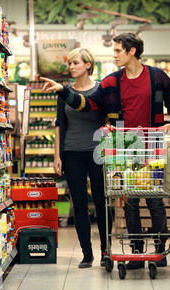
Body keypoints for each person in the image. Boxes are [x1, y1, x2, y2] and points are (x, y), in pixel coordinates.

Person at [40, 33, 170, 270]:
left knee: (156, 200)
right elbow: (85, 104)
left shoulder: (157, 76)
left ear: (132, 51)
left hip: (154, 144)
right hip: (125, 146)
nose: (114, 55)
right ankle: (137, 253)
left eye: (118, 50)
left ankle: (160, 248)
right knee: (130, 201)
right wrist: (63, 91)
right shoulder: (110, 83)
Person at [52, 47, 112, 268]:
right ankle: (87, 253)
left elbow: (108, 120)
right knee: (79, 204)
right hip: (71, 153)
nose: (71, 67)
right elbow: (60, 124)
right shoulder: (64, 91)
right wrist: (57, 155)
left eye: (75, 63)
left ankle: (106, 251)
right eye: (69, 63)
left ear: (88, 64)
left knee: (101, 202)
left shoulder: (100, 91)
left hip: (98, 153)